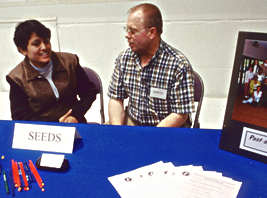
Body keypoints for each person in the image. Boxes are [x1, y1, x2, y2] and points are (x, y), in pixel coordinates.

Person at [108, 3, 195, 127]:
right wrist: (117, 130)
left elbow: (180, 114)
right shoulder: (124, 59)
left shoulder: (178, 64)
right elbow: (116, 98)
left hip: (167, 128)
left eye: (133, 31)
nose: (127, 35)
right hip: (133, 122)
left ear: (152, 32)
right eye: (126, 30)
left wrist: (151, 136)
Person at [6, 19, 98, 123]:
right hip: (41, 131)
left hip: (74, 123)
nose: (44, 47)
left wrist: (75, 115)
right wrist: (53, 125)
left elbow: (89, 93)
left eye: (46, 41)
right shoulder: (17, 78)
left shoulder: (70, 62)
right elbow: (20, 116)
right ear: (22, 50)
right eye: (36, 44)